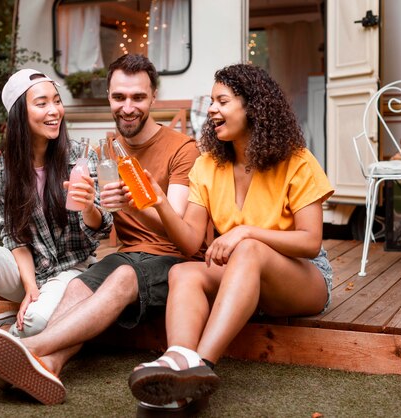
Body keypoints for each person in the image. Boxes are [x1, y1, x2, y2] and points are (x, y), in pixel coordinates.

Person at [0, 54, 202, 406]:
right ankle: (47, 366)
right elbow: (84, 202)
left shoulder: (182, 150)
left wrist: (138, 201)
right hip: (126, 255)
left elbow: (182, 236)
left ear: (154, 96)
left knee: (122, 277)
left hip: (170, 261)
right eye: (118, 97)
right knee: (79, 287)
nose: (127, 107)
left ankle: (27, 348)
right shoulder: (107, 150)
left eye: (138, 97)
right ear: (108, 96)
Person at [127, 64, 334, 412]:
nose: (210, 109)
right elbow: (191, 242)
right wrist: (159, 203)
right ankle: (178, 358)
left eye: (221, 101)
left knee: (250, 248)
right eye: (211, 101)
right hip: (243, 278)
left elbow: (310, 241)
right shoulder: (208, 165)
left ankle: (200, 368)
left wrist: (245, 232)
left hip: (302, 277)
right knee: (184, 272)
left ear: (252, 106)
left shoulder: (297, 161)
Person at [0, 69, 113, 398]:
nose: (54, 110)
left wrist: (89, 207)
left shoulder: (81, 157)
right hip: (27, 269)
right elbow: (13, 237)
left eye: (57, 101)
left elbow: (97, 233)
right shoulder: (2, 170)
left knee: (36, 324)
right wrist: (29, 288)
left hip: (70, 271)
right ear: (19, 114)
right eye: (41, 103)